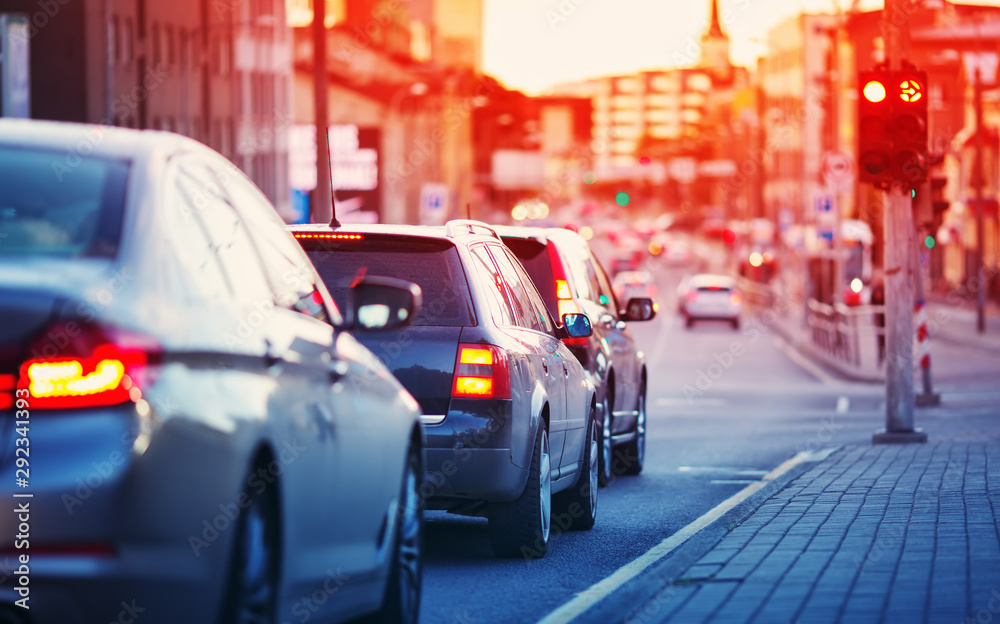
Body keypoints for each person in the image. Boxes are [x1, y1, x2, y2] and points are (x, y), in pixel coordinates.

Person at [870, 271, 886, 366]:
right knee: (880, 337)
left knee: (882, 337)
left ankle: (881, 355)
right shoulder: (877, 288)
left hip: (883, 317)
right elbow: (872, 300)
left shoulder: (882, 288)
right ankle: (881, 355)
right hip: (880, 317)